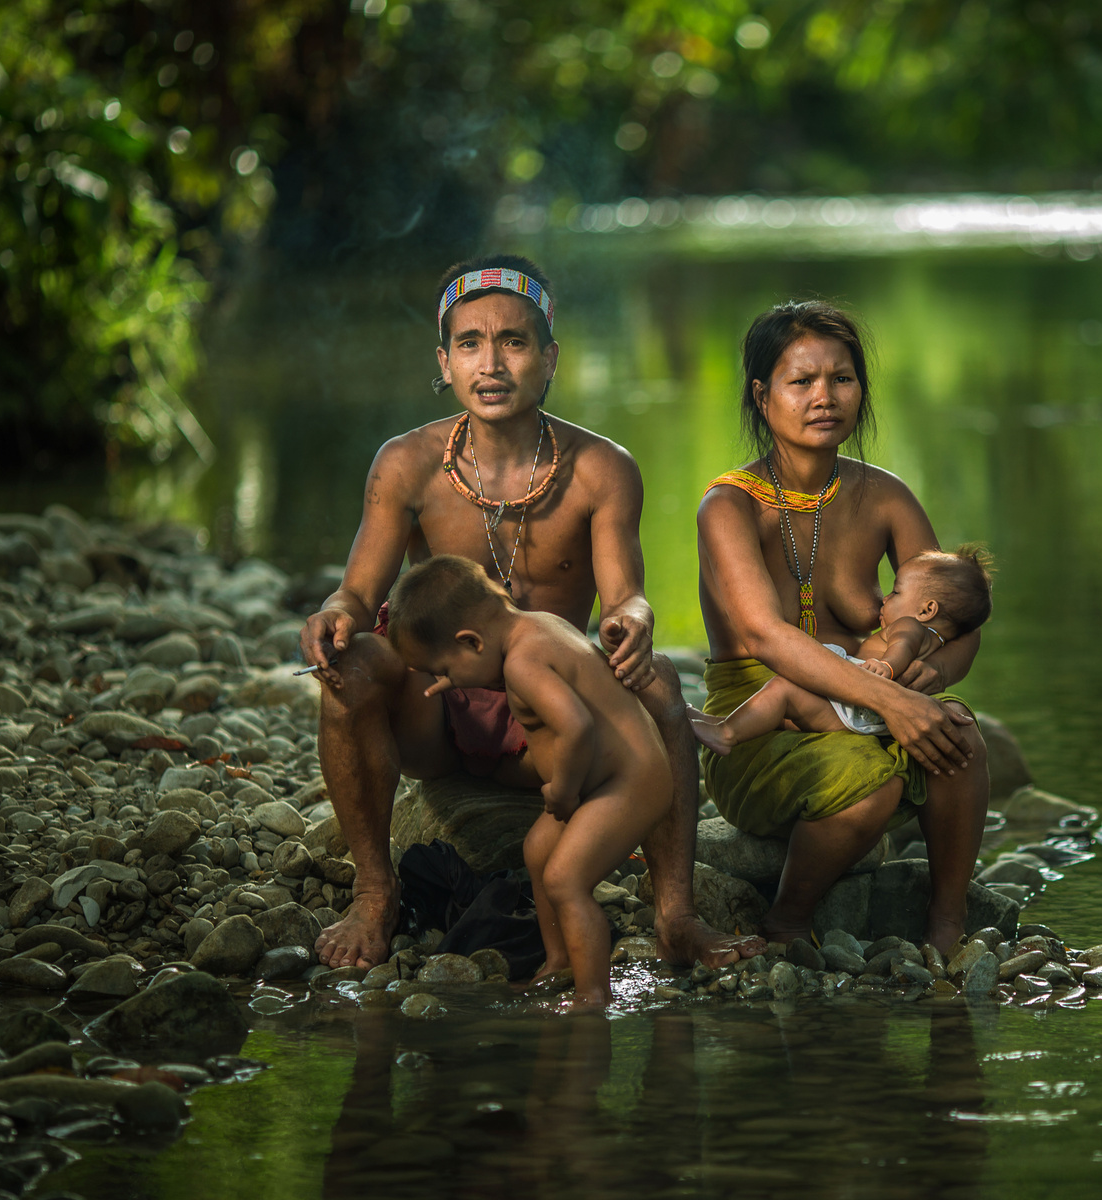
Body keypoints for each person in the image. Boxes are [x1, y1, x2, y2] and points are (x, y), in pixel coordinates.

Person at [299, 253, 762, 971]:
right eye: (470, 343)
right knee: (350, 672)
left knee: (662, 685)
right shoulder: (406, 462)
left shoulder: (602, 467)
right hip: (437, 708)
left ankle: (677, 914)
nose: (492, 364)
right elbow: (357, 596)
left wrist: (631, 622)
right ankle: (373, 893)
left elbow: (627, 595)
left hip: (540, 710)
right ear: (444, 361)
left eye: (514, 342)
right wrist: (333, 614)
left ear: (549, 360)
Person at [696, 300, 992, 952]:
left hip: (866, 710)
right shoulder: (727, 506)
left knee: (964, 741)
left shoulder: (885, 496)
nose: (824, 397)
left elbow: (960, 617)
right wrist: (892, 699)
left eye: (842, 379)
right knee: (870, 779)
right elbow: (766, 636)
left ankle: (947, 924)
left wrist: (928, 674)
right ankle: (787, 919)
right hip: (762, 725)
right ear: (761, 394)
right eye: (801, 382)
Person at [383, 555, 670, 1008]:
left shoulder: (522, 663)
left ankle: (592, 995)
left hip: (630, 780)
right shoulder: (538, 627)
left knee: (564, 878)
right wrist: (455, 677)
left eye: (445, 672)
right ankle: (557, 960)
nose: (446, 684)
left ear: (471, 641)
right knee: (538, 851)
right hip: (612, 772)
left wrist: (564, 789)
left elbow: (576, 726)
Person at [689, 546, 993, 752]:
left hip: (862, 700)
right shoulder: (934, 638)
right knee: (792, 710)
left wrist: (886, 666)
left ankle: (727, 734)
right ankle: (728, 725)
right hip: (867, 713)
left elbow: (902, 646)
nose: (885, 600)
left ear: (927, 610)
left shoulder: (911, 626)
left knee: (784, 689)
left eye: (896, 591)